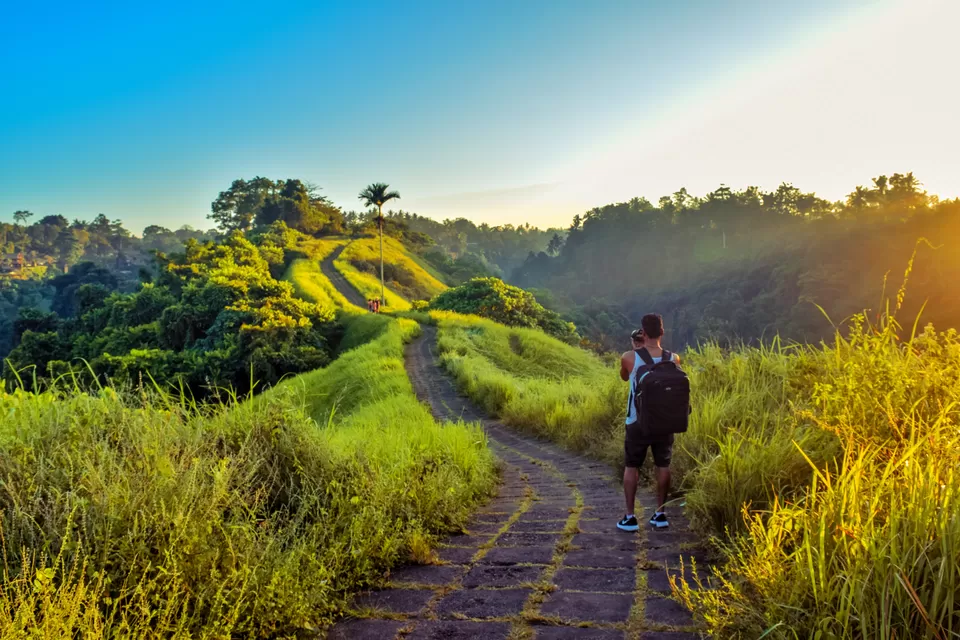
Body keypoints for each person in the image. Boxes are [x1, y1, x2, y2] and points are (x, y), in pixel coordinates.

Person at [617, 313, 681, 531]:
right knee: (663, 465)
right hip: (666, 422)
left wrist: (636, 349)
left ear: (643, 333)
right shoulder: (674, 359)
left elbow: (624, 377)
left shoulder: (629, 357)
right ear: (662, 332)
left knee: (632, 466)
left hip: (637, 421)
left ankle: (630, 517)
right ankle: (660, 514)